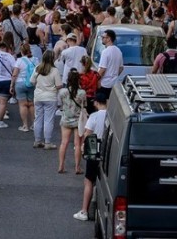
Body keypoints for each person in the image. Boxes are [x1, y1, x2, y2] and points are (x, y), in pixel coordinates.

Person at [73, 91, 108, 222]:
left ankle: (84, 211)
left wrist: (82, 147)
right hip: (108, 151)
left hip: (94, 151)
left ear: (96, 102)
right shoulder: (112, 115)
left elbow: (87, 134)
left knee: (88, 180)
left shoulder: (94, 116)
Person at [31, 50, 63, 149]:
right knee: (48, 120)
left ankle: (37, 141)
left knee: (38, 119)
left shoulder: (37, 68)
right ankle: (48, 142)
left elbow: (32, 81)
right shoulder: (54, 70)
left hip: (38, 96)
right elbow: (59, 85)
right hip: (50, 97)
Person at [57, 69, 86, 174]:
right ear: (78, 80)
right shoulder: (82, 93)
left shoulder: (62, 92)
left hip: (66, 119)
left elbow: (60, 104)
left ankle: (61, 166)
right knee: (77, 144)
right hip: (78, 120)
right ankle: (77, 167)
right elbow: (84, 105)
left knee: (64, 143)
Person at [96, 29, 123, 98]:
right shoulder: (118, 51)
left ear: (108, 39)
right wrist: (114, 75)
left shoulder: (105, 52)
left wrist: (97, 80)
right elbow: (121, 68)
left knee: (102, 102)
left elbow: (102, 69)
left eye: (103, 37)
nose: (102, 39)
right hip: (114, 84)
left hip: (104, 84)